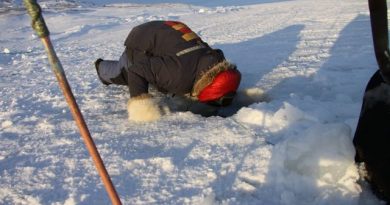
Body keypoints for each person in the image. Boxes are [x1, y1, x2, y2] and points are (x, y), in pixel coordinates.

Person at [94, 20, 241, 122]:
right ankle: (100, 67)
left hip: (166, 32)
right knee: (122, 73)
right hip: (142, 39)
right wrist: (141, 106)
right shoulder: (177, 75)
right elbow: (137, 70)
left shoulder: (216, 59)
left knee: (162, 73)